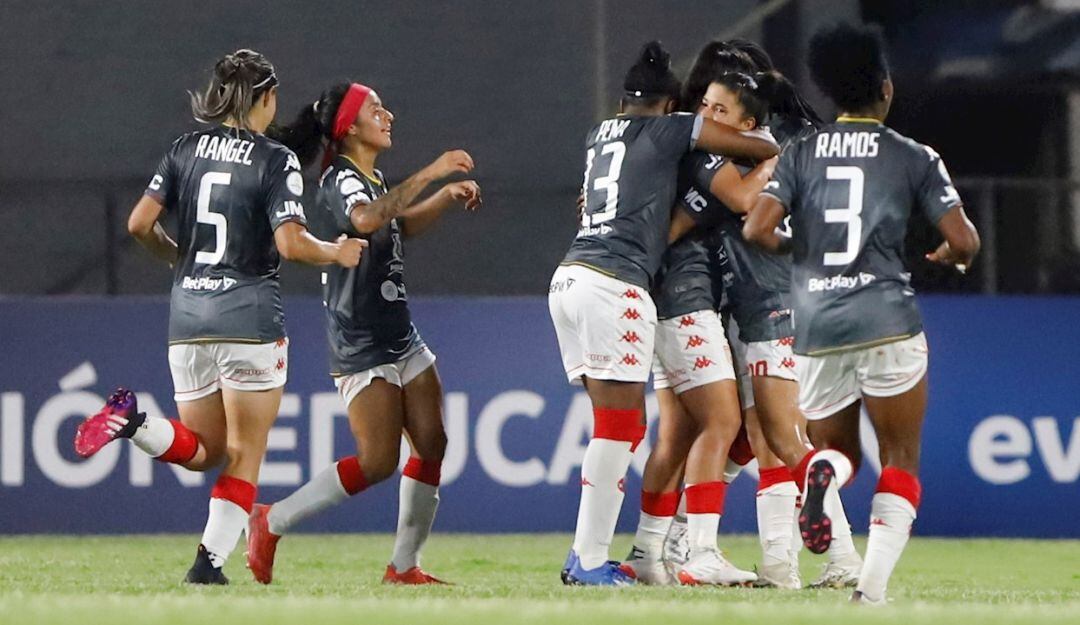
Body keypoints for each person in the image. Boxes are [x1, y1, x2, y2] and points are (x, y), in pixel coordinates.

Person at [73, 49, 364, 584]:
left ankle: (133, 422)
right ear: (267, 98)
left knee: (204, 451)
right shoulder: (275, 159)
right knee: (244, 453)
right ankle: (208, 566)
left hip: (187, 317)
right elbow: (292, 242)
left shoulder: (184, 149)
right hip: (248, 318)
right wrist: (336, 251)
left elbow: (139, 224)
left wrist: (178, 258)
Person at [744, 22, 980, 605]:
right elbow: (965, 239)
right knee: (899, 459)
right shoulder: (913, 156)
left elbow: (756, 226)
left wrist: (804, 254)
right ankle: (870, 592)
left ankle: (823, 476)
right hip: (887, 319)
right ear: (885, 88)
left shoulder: (799, 153)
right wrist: (953, 253)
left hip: (817, 322)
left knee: (839, 453)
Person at [549, 40, 779, 586]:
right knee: (631, 425)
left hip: (570, 276)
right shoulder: (674, 129)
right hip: (616, 282)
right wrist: (771, 151)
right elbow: (758, 144)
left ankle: (622, 553)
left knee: (639, 426)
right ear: (673, 100)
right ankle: (595, 559)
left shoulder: (599, 134)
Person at [245, 81, 481, 585]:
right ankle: (271, 520)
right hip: (361, 339)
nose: (388, 115)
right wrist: (435, 169)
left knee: (432, 442)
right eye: (377, 109)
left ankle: (404, 566)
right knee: (376, 462)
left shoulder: (371, 179)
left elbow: (396, 226)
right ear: (350, 127)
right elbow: (367, 219)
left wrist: (441, 197)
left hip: (400, 332)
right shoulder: (342, 180)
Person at [621, 71, 779, 587]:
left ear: (745, 122)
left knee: (678, 433)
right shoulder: (703, 155)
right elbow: (740, 200)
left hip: (664, 296)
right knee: (722, 422)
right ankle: (701, 551)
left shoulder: (666, 154)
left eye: (718, 109)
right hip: (683, 298)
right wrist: (778, 159)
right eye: (705, 106)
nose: (707, 116)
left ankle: (648, 550)